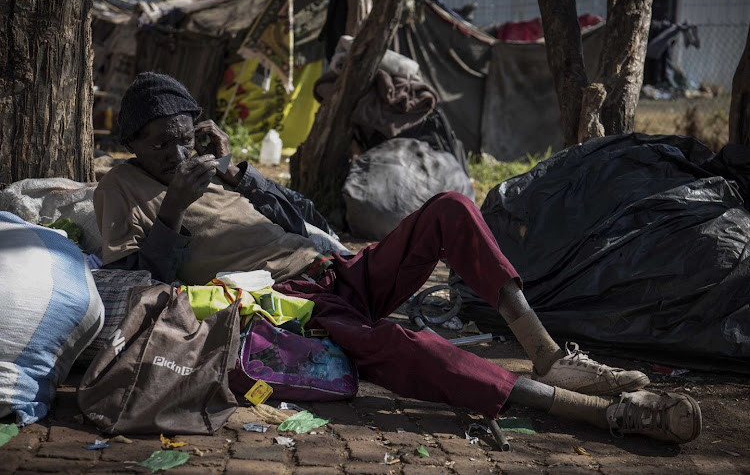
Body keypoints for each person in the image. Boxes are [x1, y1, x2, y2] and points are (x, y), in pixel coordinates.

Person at [95, 72, 702, 444]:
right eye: (158, 143)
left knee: (449, 209)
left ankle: (547, 357)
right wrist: (173, 208)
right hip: (281, 308)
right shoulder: (118, 188)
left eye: (184, 136)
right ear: (131, 147)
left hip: (332, 272)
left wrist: (242, 174)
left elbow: (305, 218)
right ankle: (600, 413)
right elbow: (139, 286)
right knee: (403, 347)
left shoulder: (217, 171)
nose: (176, 151)